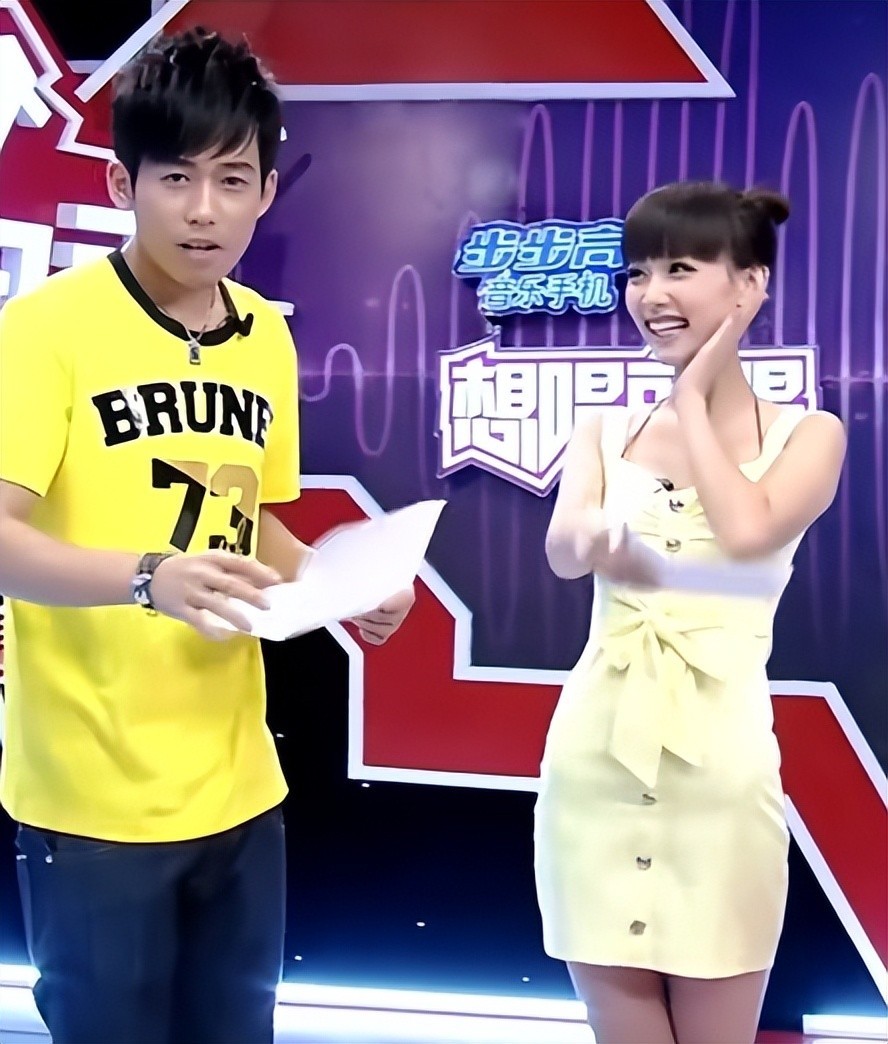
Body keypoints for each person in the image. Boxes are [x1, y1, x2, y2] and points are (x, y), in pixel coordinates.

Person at [0, 27, 413, 1044]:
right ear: (122, 182)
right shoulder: (44, 330)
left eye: (232, 180)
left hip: (239, 789)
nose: (202, 210)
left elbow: (249, 515)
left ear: (267, 191)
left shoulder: (263, 332)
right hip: (91, 798)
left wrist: (339, 585)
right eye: (175, 177)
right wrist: (148, 578)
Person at [535, 181, 846, 1044]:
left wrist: (694, 397)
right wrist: (598, 539)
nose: (651, 295)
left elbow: (747, 529)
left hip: (720, 769)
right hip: (594, 760)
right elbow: (563, 551)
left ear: (750, 284)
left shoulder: (811, 434)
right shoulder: (603, 429)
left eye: (680, 269)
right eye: (638, 273)